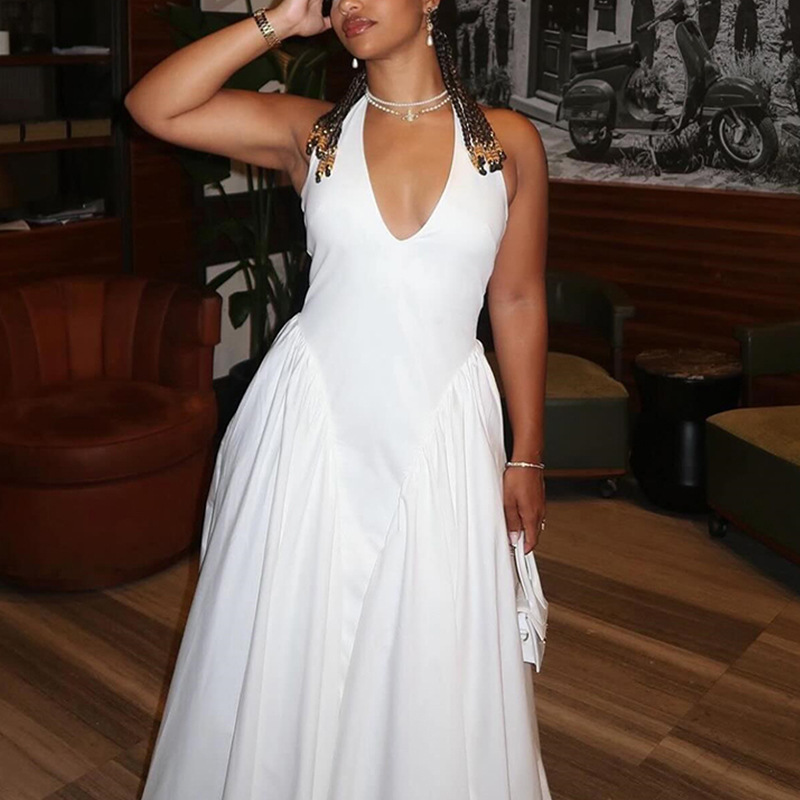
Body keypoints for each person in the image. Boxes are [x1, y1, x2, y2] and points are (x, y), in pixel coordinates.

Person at [125, 1, 551, 798]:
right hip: (313, 425)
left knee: (432, 641)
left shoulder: (507, 142)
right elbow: (155, 106)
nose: (351, 3)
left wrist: (526, 452)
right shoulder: (312, 133)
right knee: (294, 640)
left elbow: (519, 299)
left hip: (443, 429)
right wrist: (276, 22)